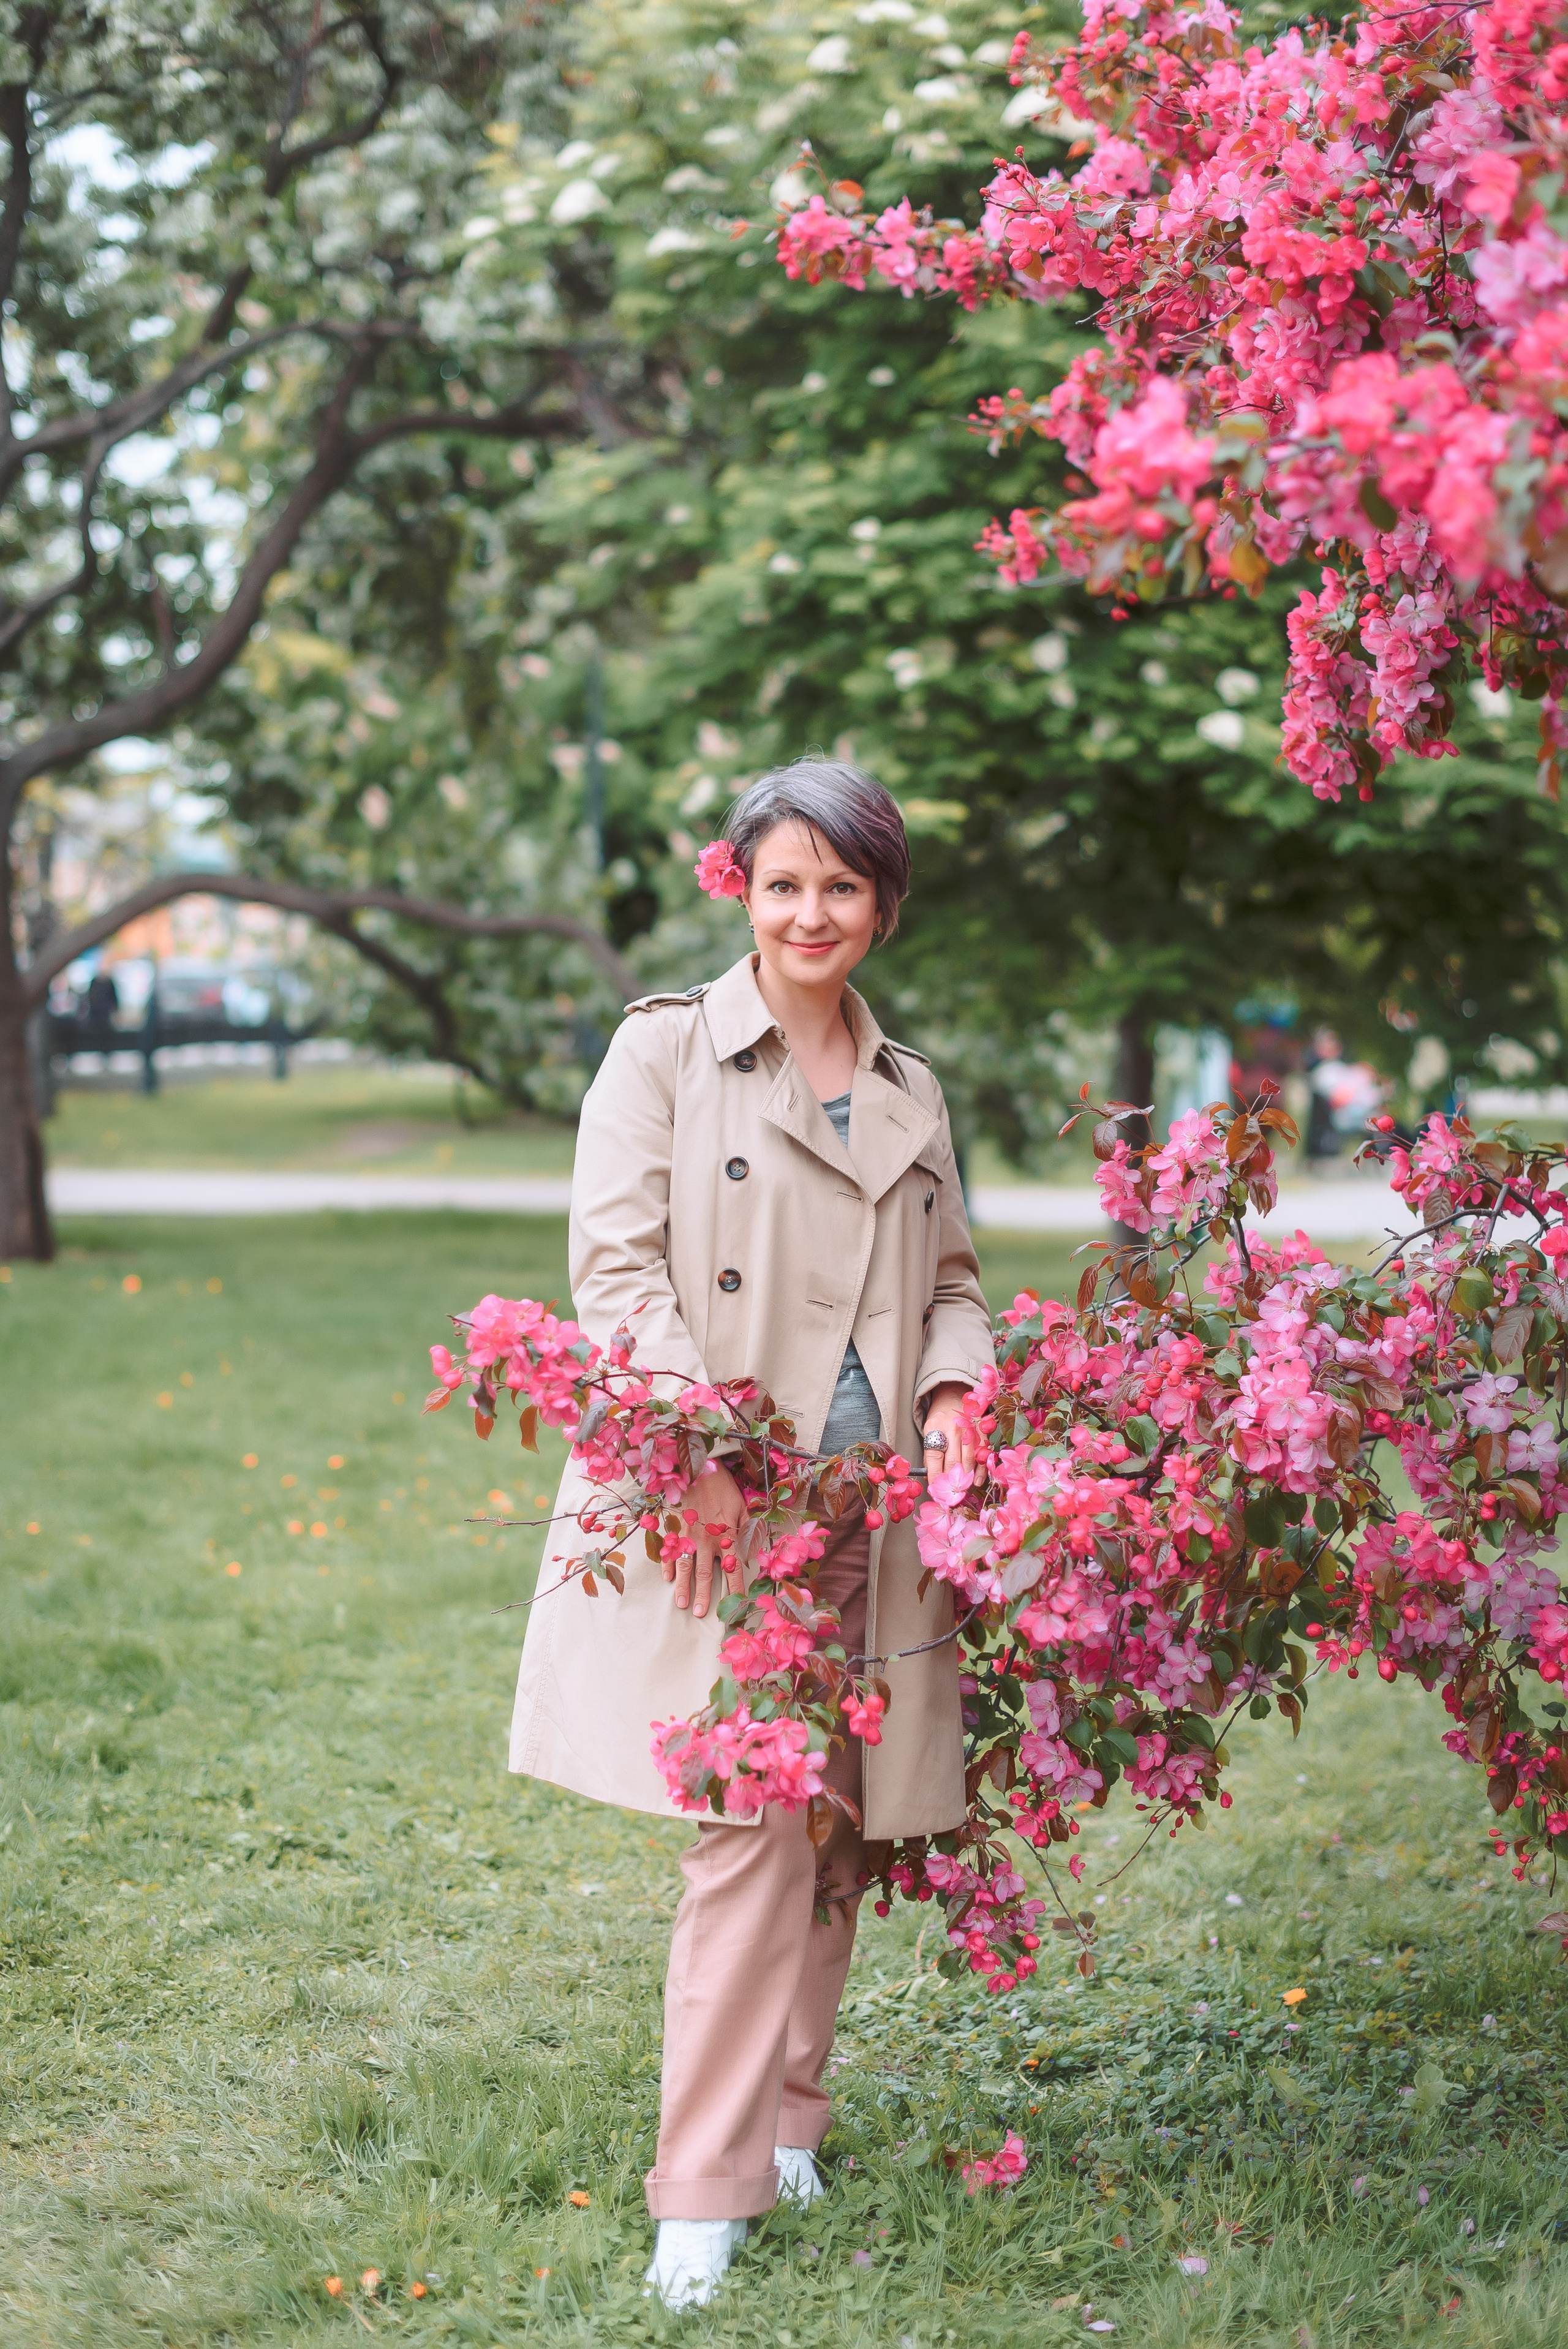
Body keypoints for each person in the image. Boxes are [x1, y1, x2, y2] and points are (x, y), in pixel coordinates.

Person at [508, 757, 995, 2309]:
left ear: (882, 906)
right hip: (731, 1508)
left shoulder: (911, 1089)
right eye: (783, 882)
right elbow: (617, 1269)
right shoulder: (663, 1054)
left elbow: (960, 1283)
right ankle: (701, 2192)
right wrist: (699, 1450)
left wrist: (948, 1391)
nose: (810, 913)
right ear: (741, 885)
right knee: (749, 1833)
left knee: (839, 1826)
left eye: (840, 887)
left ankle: (789, 2111)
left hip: (876, 1509)